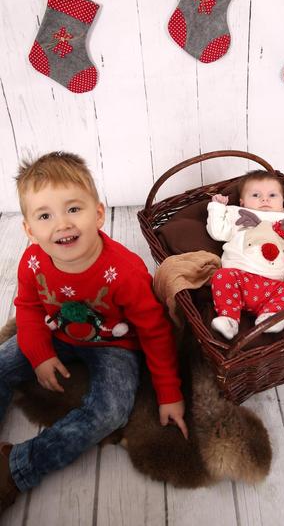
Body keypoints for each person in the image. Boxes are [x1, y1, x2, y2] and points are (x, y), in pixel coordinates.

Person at [0, 151, 187, 515]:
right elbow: (29, 308)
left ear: (98, 214)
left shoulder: (125, 271)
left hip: (113, 345)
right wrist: (39, 354)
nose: (62, 224)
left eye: (73, 209)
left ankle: (17, 466)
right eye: (45, 216)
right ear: (29, 230)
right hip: (55, 332)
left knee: (110, 411)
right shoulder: (32, 262)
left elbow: (155, 331)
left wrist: (168, 393)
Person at [206, 170, 284, 339]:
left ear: (283, 201)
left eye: (272, 195)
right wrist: (217, 208)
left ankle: (270, 316)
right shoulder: (236, 213)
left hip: (272, 286)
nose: (265, 200)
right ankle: (229, 319)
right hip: (239, 278)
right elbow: (217, 232)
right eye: (256, 195)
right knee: (221, 276)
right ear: (242, 202)